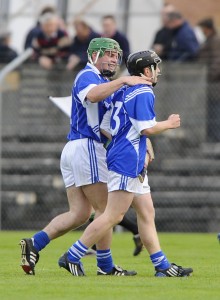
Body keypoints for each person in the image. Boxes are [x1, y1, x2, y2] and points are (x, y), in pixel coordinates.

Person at [19, 37, 150, 276]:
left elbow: (106, 125)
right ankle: (105, 266)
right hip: (86, 147)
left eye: (115, 55)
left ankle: (34, 244)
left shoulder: (104, 82)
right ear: (93, 55)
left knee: (79, 214)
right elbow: (93, 96)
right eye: (107, 54)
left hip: (76, 148)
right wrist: (123, 80)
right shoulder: (88, 76)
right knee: (105, 211)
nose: (112, 59)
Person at [60, 50, 193, 277]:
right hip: (127, 157)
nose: (159, 71)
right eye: (156, 67)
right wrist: (169, 123)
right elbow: (146, 128)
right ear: (146, 70)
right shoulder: (143, 90)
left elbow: (105, 126)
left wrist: (135, 140)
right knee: (113, 216)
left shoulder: (123, 90)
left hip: (130, 154)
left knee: (146, 211)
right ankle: (72, 255)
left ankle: (162, 266)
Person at [197, 18, 220, 142]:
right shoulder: (210, 40)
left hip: (215, 84)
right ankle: (212, 138)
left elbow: (218, 61)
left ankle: (216, 139)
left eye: (203, 28)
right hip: (211, 84)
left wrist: (209, 75)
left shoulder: (215, 41)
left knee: (215, 111)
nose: (202, 31)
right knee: (212, 111)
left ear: (208, 28)